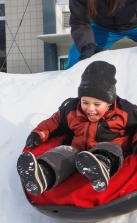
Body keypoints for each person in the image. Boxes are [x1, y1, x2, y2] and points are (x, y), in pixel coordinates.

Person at [17, 61, 137, 195]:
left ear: (109, 102)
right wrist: (39, 133)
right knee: (65, 152)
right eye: (85, 102)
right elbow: (55, 122)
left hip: (110, 151)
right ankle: (43, 173)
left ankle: (100, 168)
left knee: (110, 148)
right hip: (79, 153)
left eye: (97, 104)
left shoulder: (125, 111)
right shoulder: (72, 109)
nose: (90, 109)